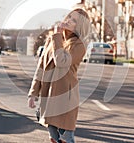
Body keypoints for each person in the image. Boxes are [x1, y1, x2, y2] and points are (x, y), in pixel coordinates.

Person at [27, 8, 91, 143]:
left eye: (73, 20)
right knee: (53, 139)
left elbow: (61, 61)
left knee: (65, 140)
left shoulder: (79, 45)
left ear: (79, 26)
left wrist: (57, 37)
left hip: (65, 100)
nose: (68, 21)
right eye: (68, 17)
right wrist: (33, 93)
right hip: (49, 97)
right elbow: (41, 67)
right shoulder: (53, 40)